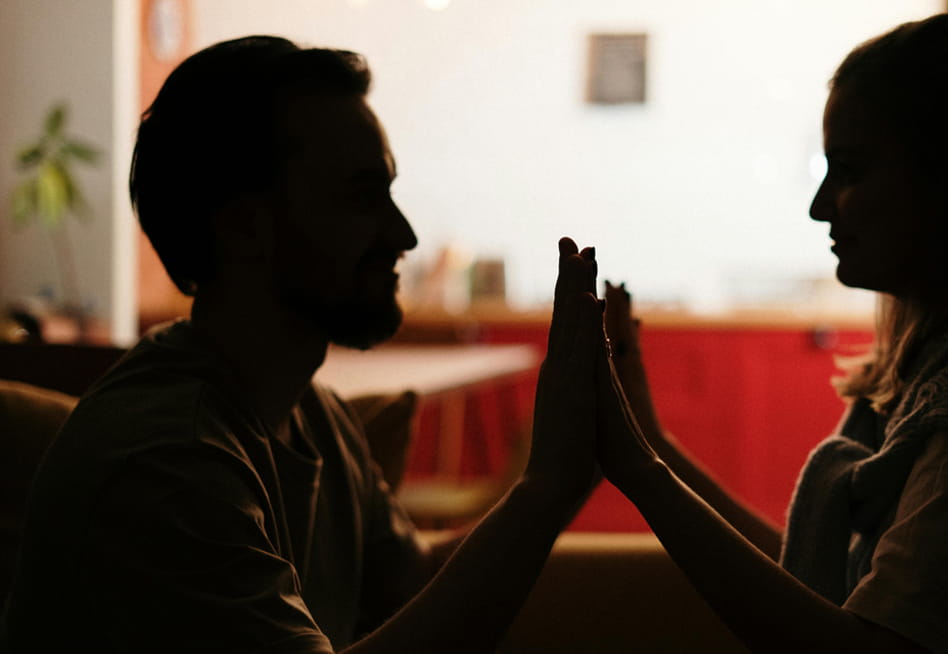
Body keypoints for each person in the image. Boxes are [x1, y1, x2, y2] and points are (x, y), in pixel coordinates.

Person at [0, 36, 605, 653]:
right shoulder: (167, 459)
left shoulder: (314, 414)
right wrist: (541, 491)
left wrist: (571, 471)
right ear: (241, 225)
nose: (404, 234)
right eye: (362, 196)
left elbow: (414, 583)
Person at [594, 12, 948, 653]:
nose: (819, 206)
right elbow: (818, 591)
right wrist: (653, 446)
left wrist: (639, 468)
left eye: (851, 170)